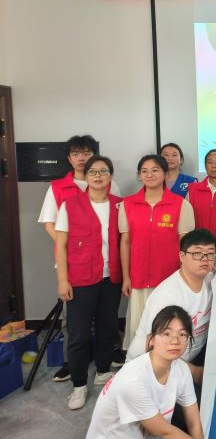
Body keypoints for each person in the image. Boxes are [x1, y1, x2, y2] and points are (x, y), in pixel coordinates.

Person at [38, 134, 121, 382]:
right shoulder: (58, 188)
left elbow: (119, 232)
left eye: (87, 153)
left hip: (107, 269)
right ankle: (75, 370)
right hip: (75, 267)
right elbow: (50, 224)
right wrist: (77, 248)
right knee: (75, 326)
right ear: (69, 158)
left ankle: (103, 365)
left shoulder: (113, 191)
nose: (82, 158)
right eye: (76, 154)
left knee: (107, 322)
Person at [55, 156, 123, 410]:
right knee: (79, 334)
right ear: (86, 176)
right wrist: (63, 280)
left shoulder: (119, 205)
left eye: (103, 171)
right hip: (81, 278)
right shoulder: (70, 205)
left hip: (111, 277)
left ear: (110, 176)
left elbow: (126, 242)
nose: (98, 176)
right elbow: (61, 246)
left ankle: (103, 371)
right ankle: (79, 384)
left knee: (108, 327)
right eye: (93, 171)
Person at [87, 305, 203, 439]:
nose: (175, 341)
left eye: (182, 334)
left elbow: (194, 422)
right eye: (166, 333)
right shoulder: (133, 380)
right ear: (151, 339)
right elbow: (166, 432)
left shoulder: (182, 370)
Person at [126, 229, 216, 390]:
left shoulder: (212, 281)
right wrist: (196, 373)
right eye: (197, 253)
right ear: (182, 256)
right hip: (149, 368)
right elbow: (153, 349)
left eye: (210, 253)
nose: (205, 259)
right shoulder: (168, 296)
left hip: (185, 360)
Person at [120, 155, 195, 349]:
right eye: (144, 171)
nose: (149, 175)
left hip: (169, 277)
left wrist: (186, 278)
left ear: (165, 174)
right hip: (138, 277)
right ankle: (138, 361)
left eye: (155, 170)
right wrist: (126, 277)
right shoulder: (127, 204)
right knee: (139, 326)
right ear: (139, 176)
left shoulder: (181, 204)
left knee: (168, 326)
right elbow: (125, 242)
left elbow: (186, 246)